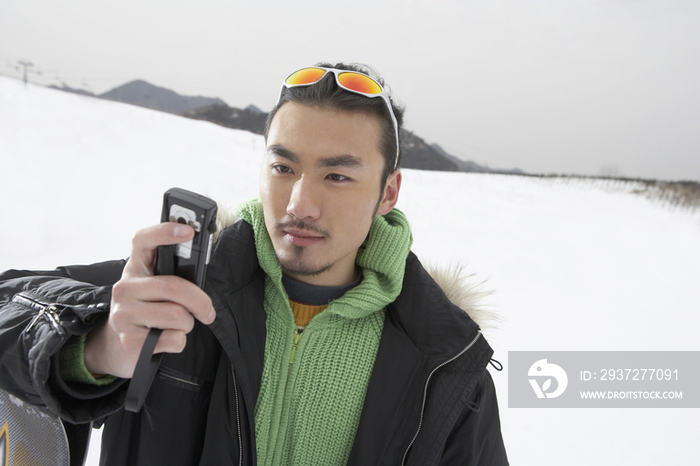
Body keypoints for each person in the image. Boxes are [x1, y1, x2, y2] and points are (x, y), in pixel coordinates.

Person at [0, 62, 508, 465]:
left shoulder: (445, 362)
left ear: (388, 192)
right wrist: (93, 347)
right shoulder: (170, 292)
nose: (298, 205)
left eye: (337, 176)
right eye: (283, 167)